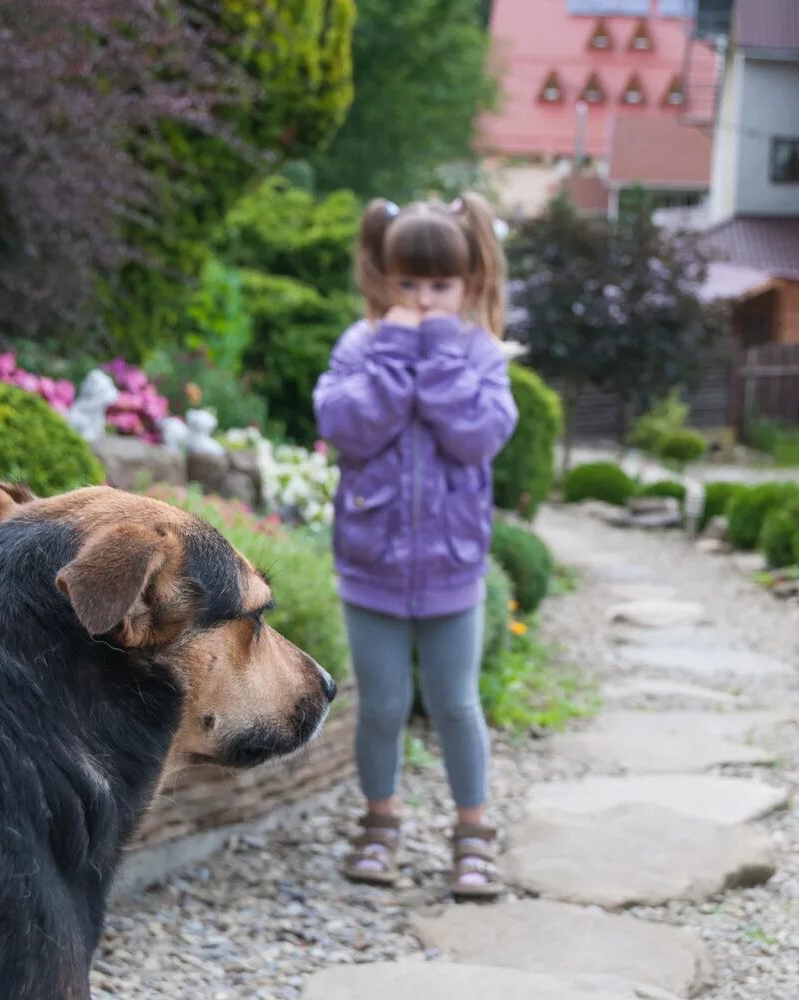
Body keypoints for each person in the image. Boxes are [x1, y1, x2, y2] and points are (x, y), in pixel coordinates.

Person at [313, 194, 518, 899]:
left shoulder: (481, 354)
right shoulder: (362, 346)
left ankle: (473, 836)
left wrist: (432, 358)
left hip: (451, 570)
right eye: (409, 283)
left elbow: (479, 436)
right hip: (370, 566)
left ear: (469, 282)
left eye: (440, 285)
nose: (424, 299)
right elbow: (349, 427)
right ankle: (381, 825)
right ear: (384, 277)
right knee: (382, 705)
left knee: (457, 704)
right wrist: (399, 351)